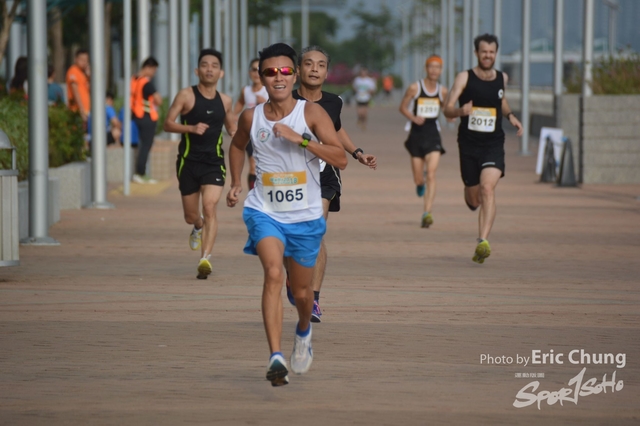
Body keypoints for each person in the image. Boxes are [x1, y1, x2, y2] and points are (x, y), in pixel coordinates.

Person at [226, 43, 347, 386]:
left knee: (303, 294)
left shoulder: (311, 114)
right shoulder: (251, 117)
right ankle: (276, 357)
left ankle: (304, 330)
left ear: (293, 76)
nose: (277, 77)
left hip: (305, 215)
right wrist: (236, 182)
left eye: (284, 71)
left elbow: (340, 158)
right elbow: (236, 146)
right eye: (270, 72)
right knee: (274, 273)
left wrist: (301, 140)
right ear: (261, 77)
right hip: (264, 210)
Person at [286, 45, 377, 323]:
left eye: (321, 65)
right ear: (298, 70)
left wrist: (357, 153)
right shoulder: (284, 100)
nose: (315, 69)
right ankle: (292, 276)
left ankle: (313, 299)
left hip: (324, 174)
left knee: (316, 231)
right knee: (291, 236)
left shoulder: (334, 102)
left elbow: (336, 128)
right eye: (309, 64)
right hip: (290, 177)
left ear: (327, 73)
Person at [443, 34, 523, 264]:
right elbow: (447, 108)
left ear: (496, 54)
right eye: (484, 52)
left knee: (488, 188)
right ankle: (470, 194)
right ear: (476, 53)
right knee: (474, 198)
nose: (488, 55)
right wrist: (460, 111)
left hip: (493, 144)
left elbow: (501, 99)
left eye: (491, 52)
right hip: (468, 144)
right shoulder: (464, 77)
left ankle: (483, 241)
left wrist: (511, 116)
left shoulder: (501, 78)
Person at [163, 49, 235, 280]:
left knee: (210, 206)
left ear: (221, 73)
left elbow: (232, 129)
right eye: (205, 65)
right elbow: (167, 123)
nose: (209, 69)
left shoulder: (225, 101)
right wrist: (190, 128)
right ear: (197, 70)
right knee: (191, 215)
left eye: (214, 65)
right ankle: (197, 225)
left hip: (214, 163)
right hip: (188, 162)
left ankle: (205, 258)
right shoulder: (186, 96)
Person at [399, 55, 449, 228]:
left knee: (432, 174)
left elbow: (446, 109)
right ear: (426, 68)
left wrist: (451, 116)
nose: (434, 70)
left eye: (438, 67)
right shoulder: (415, 88)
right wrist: (413, 117)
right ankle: (420, 184)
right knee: (419, 178)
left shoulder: (443, 91)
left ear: (441, 70)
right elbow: (402, 107)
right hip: (416, 135)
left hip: (433, 134)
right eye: (431, 67)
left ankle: (427, 212)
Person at [233, 58, 269, 190]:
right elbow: (240, 103)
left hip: (267, 133)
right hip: (251, 133)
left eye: (260, 70)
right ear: (249, 72)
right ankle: (253, 193)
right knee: (253, 165)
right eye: (254, 70)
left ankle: (267, 191)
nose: (256, 73)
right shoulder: (246, 90)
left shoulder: (268, 90)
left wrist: (266, 102)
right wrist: (232, 115)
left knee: (267, 165)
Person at [131, 57, 162, 184]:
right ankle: (141, 173)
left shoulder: (133, 79)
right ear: (148, 68)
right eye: (154, 70)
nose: (154, 73)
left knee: (141, 145)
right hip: (147, 117)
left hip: (136, 116)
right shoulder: (147, 83)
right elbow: (158, 100)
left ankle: (140, 172)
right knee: (146, 146)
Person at [66, 49, 91, 121]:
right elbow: (75, 91)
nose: (84, 62)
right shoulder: (73, 71)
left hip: (87, 109)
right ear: (76, 59)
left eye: (86, 60)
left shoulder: (84, 74)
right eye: (81, 60)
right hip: (77, 110)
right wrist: (81, 110)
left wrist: (89, 77)